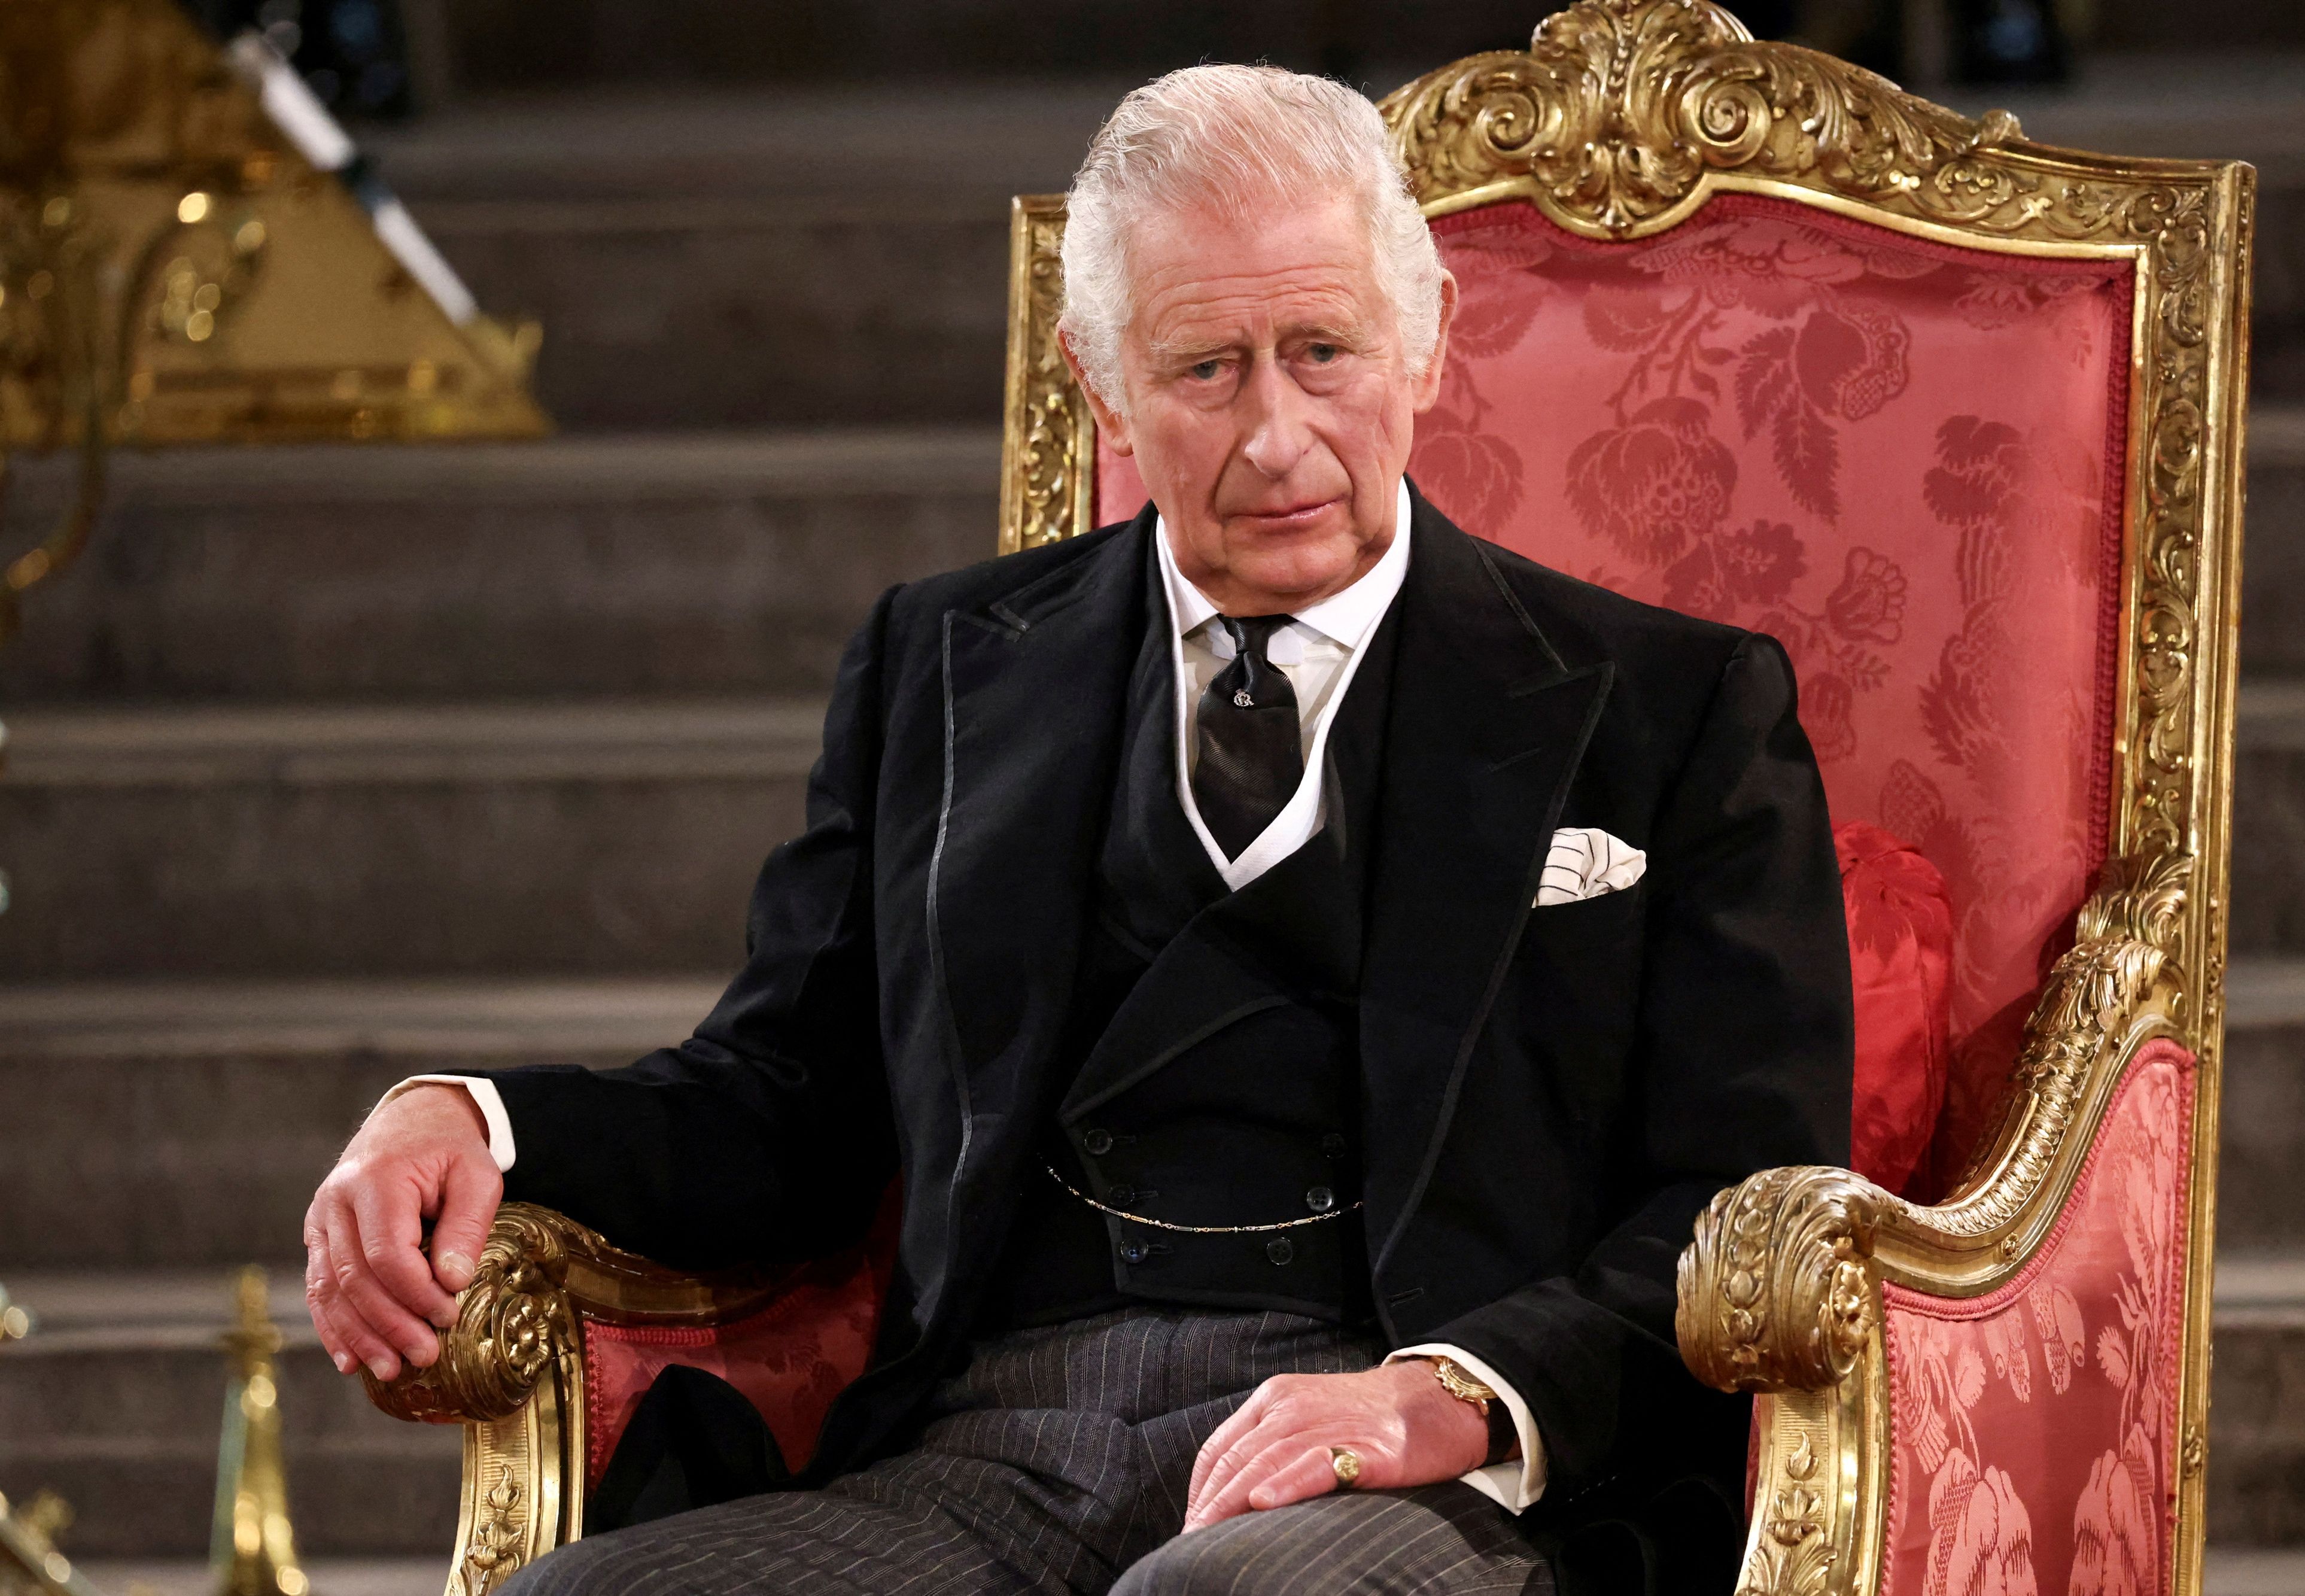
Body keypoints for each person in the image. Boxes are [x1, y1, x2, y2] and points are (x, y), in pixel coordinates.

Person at [303, 63, 1850, 1596]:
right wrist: (475, 1118)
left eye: (1324, 350)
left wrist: (1447, 1395)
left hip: (1413, 1450)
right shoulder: (942, 668)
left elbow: (1746, 1202)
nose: (1278, 436)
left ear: (1428, 334)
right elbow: (784, 1099)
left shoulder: (1673, 711)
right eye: (1207, 370)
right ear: (1099, 380)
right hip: (995, 1446)